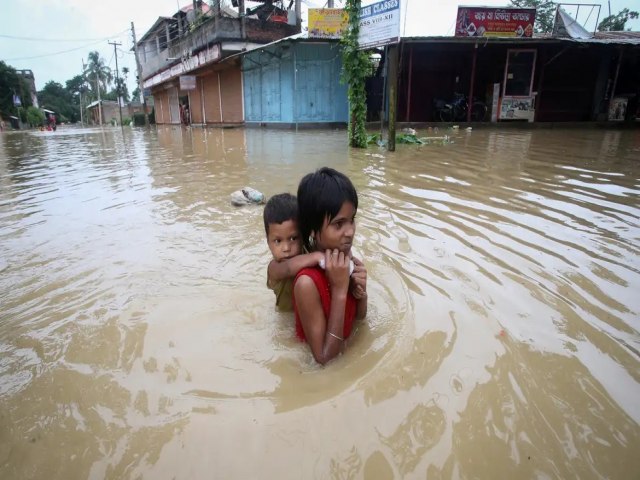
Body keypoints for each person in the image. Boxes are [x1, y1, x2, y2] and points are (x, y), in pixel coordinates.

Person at [293, 167, 368, 365]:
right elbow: (325, 359)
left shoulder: (345, 257)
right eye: (338, 224)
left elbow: (359, 321)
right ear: (312, 232)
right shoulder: (306, 283)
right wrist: (340, 290)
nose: (350, 231)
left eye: (352, 220)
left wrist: (361, 292)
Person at [264, 193, 325, 311]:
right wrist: (317, 256)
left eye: (293, 238)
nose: (286, 248)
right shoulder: (274, 268)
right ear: (268, 242)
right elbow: (288, 268)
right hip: (285, 319)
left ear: (303, 236)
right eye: (277, 241)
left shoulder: (308, 252)